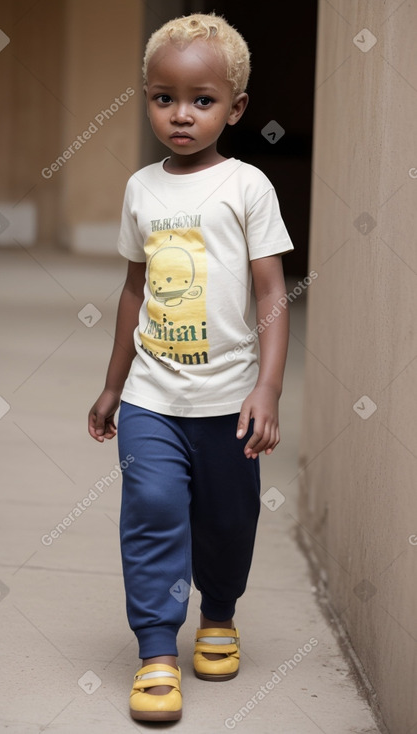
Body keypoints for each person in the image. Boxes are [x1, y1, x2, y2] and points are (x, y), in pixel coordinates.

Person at [88, 12, 294, 722]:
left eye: (201, 100)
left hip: (228, 401)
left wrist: (266, 386)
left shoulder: (247, 187)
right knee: (150, 512)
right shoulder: (142, 189)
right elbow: (133, 289)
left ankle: (219, 615)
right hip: (152, 396)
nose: (180, 114)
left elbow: (272, 291)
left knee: (228, 523)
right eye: (162, 97)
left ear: (233, 107)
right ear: (145, 97)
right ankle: (154, 652)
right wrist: (115, 384)